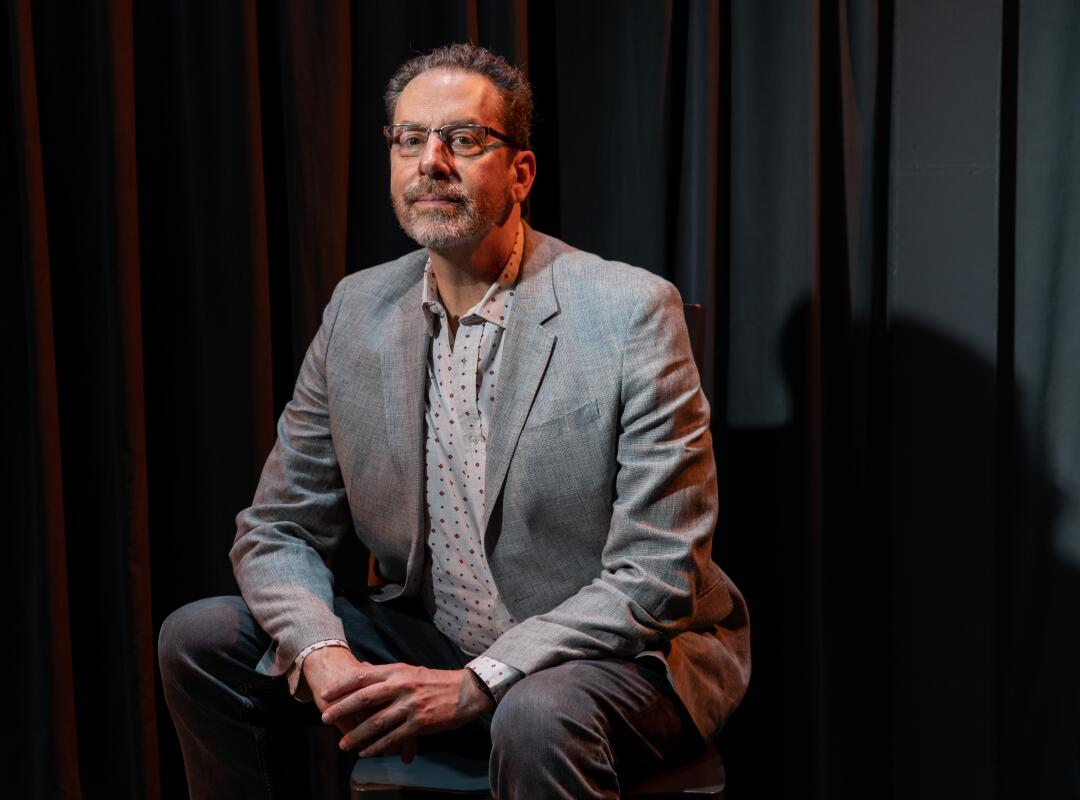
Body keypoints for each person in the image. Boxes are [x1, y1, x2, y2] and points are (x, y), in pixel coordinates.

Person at [158, 43, 750, 799]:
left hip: (619, 658)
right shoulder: (355, 312)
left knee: (535, 717)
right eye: (410, 139)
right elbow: (279, 529)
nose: (430, 161)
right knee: (201, 641)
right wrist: (322, 651)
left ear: (521, 173)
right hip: (433, 637)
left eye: (463, 139)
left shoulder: (631, 312)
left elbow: (659, 573)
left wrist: (480, 683)